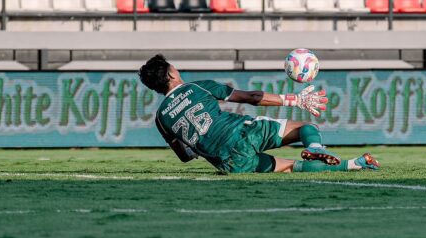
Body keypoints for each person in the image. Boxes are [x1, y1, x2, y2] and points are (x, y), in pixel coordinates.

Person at [138, 54, 380, 174]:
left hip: (229, 162)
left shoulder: (161, 119)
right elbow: (252, 98)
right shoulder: (197, 87)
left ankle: (356, 165)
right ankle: (315, 148)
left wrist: (198, 143)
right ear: (170, 74)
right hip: (244, 132)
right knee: (307, 128)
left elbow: (185, 157)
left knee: (292, 167)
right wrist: (295, 99)